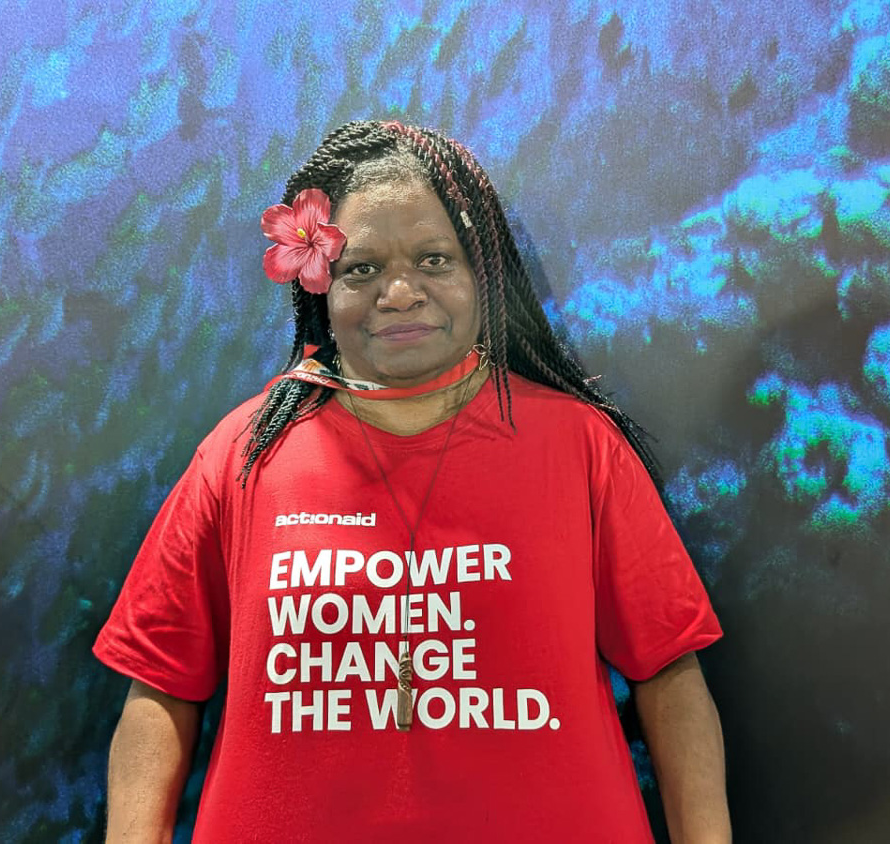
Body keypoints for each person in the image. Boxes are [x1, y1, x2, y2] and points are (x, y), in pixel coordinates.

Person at [94, 120, 729, 843]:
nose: (400, 293)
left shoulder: (580, 445)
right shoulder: (241, 455)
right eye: (362, 268)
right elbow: (161, 689)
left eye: (434, 259)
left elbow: (670, 677)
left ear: (481, 273)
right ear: (317, 280)